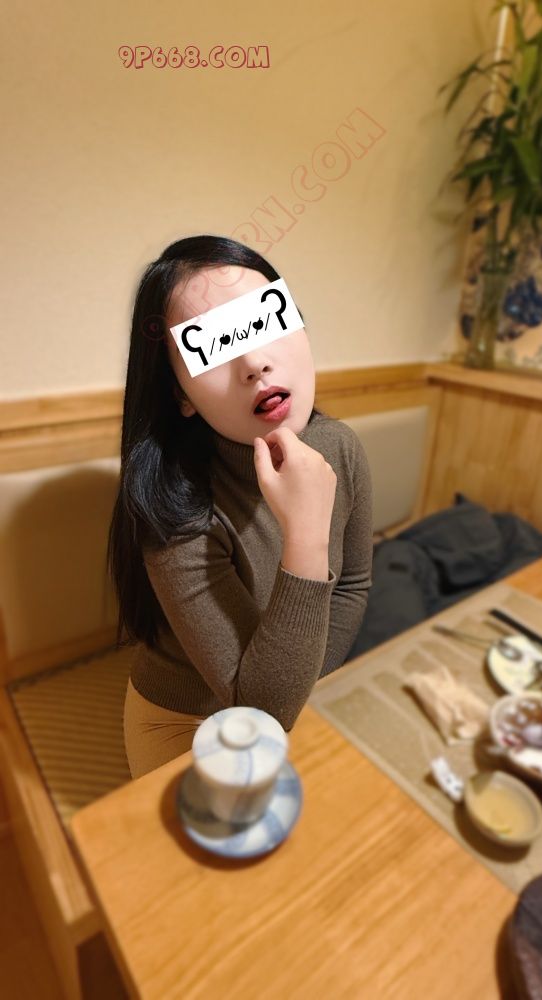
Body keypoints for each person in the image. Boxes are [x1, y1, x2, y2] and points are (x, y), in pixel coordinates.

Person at [107, 234, 374, 779]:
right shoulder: (172, 503)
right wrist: (305, 532)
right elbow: (260, 711)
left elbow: (352, 586)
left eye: (265, 322)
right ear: (180, 396)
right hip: (186, 719)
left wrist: (299, 685)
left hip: (291, 692)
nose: (254, 362)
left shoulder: (340, 447)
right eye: (213, 346)